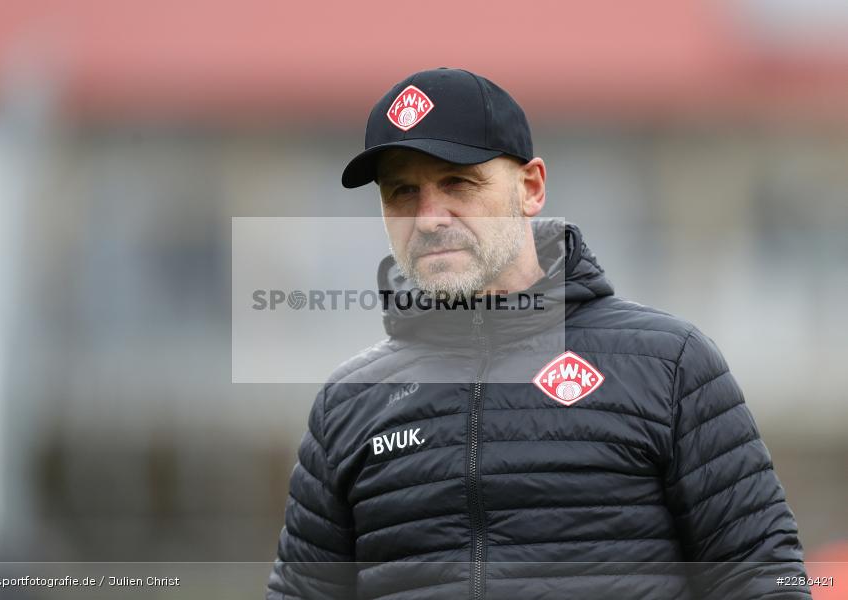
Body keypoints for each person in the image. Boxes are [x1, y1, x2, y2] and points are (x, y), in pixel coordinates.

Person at [266, 68, 811, 599]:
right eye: (402, 192)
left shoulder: (669, 365)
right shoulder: (348, 404)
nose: (429, 217)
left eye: (457, 182)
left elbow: (765, 579)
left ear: (531, 188)